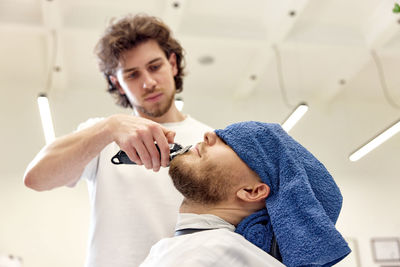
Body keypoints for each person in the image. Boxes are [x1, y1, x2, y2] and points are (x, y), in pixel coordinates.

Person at [23, 14, 212, 267]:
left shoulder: (210, 140)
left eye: (155, 67)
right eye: (132, 75)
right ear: (117, 83)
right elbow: (37, 178)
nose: (148, 82)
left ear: (173, 64)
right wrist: (109, 128)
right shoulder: (102, 136)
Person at [139, 121, 351, 267]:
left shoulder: (212, 255)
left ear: (253, 191)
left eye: (232, 143)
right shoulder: (200, 250)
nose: (209, 134)